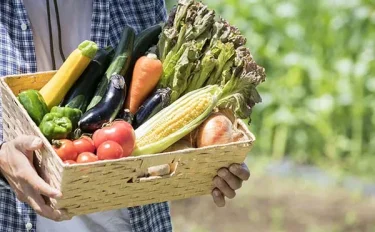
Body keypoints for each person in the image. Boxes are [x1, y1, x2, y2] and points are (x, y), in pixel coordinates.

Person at [0, 1, 251, 231]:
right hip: (17, 217)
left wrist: (215, 154)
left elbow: (172, 105)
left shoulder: (139, 2)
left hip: (125, 220)